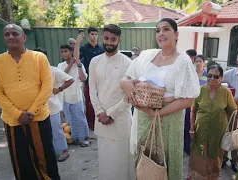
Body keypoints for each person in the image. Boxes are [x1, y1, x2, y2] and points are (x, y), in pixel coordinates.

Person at [120, 18, 200, 179]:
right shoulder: (146, 55)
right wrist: (126, 84)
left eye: (166, 29)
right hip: (143, 116)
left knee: (166, 161)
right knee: (145, 159)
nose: (161, 33)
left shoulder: (183, 61)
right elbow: (125, 78)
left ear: (176, 34)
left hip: (169, 120)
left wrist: (156, 113)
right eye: (158, 30)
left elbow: (188, 100)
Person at [0, 24, 60, 179]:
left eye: (15, 33)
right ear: (4, 39)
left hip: (39, 117)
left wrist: (32, 111)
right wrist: (17, 114)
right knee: (21, 161)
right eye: (6, 34)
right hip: (13, 121)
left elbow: (47, 86)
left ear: (24, 38)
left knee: (45, 159)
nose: (11, 36)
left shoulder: (39, 58)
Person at [86, 24, 134, 180]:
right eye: (106, 38)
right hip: (102, 120)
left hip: (120, 120)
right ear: (102, 38)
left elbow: (130, 95)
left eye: (113, 39)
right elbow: (92, 90)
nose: (109, 42)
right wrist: (100, 113)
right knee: (106, 162)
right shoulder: (95, 61)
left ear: (119, 40)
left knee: (121, 163)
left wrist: (111, 113)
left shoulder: (128, 63)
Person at [188, 65, 237, 180]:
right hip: (200, 131)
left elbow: (232, 111)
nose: (212, 78)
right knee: (198, 155)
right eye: (209, 75)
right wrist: (191, 128)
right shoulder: (200, 90)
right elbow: (193, 110)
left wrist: (230, 129)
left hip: (218, 134)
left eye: (216, 76)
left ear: (221, 78)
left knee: (214, 157)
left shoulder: (226, 92)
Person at [34, 47, 74, 162]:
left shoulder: (53, 70)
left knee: (56, 129)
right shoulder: (30, 72)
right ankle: (44, 153)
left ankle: (63, 151)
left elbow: (70, 79)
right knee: (40, 132)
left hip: (52, 107)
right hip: (36, 108)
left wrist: (59, 89)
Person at [57, 44, 90, 147]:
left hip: (76, 96)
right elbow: (61, 77)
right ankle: (74, 138)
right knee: (70, 119)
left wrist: (78, 65)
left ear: (72, 52)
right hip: (65, 97)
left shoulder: (79, 65)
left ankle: (85, 138)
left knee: (80, 118)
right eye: (62, 52)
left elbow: (83, 78)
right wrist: (70, 64)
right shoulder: (60, 65)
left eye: (65, 51)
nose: (63, 53)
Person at [79, 27, 105, 130]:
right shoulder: (83, 48)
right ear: (88, 35)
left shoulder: (102, 49)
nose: (94, 36)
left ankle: (101, 119)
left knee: (102, 99)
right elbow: (78, 61)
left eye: (95, 34)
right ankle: (91, 123)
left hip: (102, 79)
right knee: (90, 100)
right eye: (92, 34)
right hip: (89, 78)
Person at [184, 54, 207, 155]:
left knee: (200, 126)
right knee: (189, 125)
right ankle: (187, 148)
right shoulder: (191, 74)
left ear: (204, 62)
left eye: (200, 61)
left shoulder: (208, 75)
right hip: (191, 104)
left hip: (203, 105)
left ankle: (199, 147)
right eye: (196, 61)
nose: (198, 63)